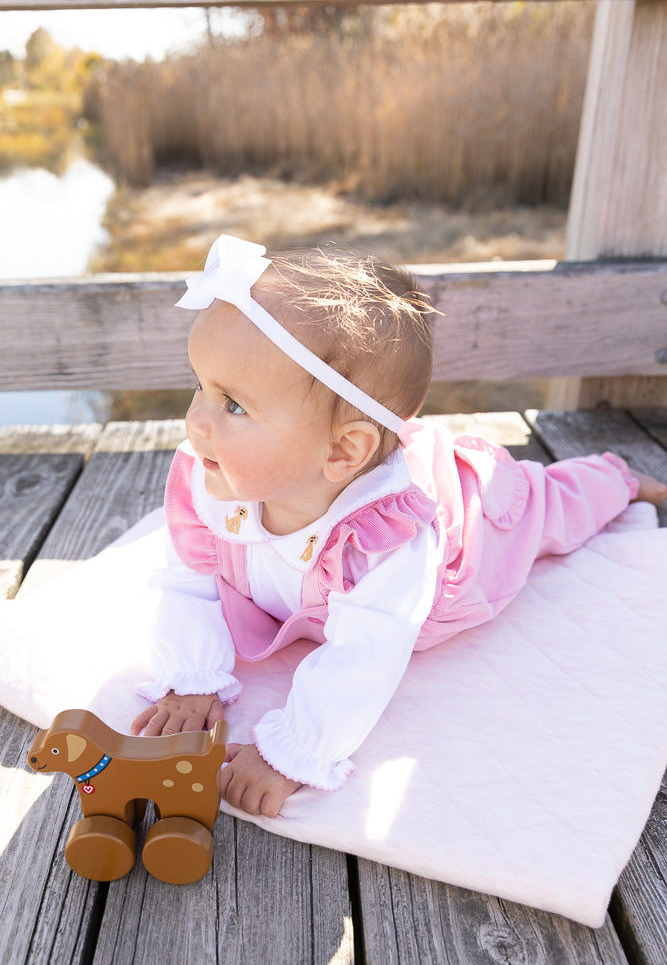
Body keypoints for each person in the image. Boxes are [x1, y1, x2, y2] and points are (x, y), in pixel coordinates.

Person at [130, 234, 667, 818]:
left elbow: (366, 655)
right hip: (345, 468)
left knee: (546, 505)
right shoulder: (213, 487)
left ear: (342, 453)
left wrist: (293, 750)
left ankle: (614, 476)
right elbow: (188, 581)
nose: (196, 421)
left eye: (233, 405)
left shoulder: (389, 546)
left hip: (467, 535)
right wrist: (193, 675)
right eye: (199, 387)